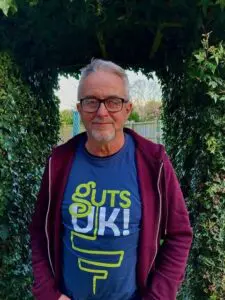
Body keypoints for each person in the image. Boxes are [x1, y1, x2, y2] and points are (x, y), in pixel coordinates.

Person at [29, 59, 192, 300]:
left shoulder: (154, 162)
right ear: (80, 108)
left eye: (113, 102)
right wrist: (48, 294)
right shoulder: (59, 163)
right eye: (91, 101)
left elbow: (179, 235)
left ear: (127, 108)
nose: (101, 112)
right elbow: (39, 233)